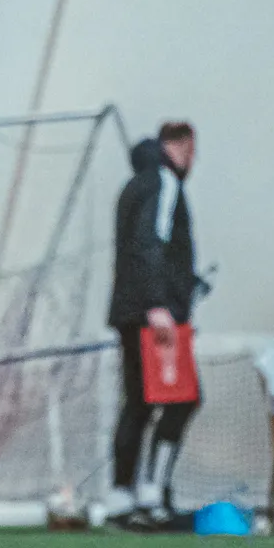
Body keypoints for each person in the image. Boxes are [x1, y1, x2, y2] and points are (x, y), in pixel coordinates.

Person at [105, 121, 200, 527]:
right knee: (183, 398)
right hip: (153, 317)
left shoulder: (135, 183)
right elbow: (151, 242)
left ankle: (120, 495)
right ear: (181, 147)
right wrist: (160, 304)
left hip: (129, 311)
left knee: (139, 402)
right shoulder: (163, 183)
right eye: (191, 152)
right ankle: (152, 492)